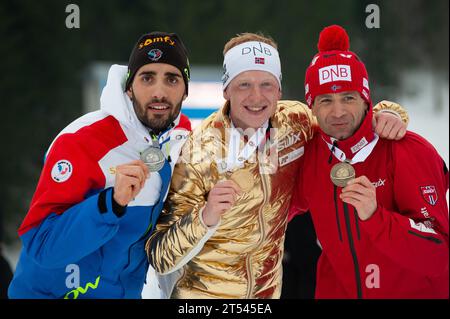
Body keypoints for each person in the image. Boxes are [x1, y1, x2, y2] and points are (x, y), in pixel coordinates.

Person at [146, 32, 409, 299]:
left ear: (279, 89)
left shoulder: (296, 122)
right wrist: (206, 217)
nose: (257, 97)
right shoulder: (198, 150)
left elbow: (342, 118)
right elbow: (160, 256)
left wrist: (388, 112)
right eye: (244, 84)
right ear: (226, 90)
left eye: (266, 84)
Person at [8, 31, 192, 298]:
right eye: (147, 78)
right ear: (130, 86)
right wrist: (110, 204)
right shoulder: (82, 140)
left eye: (172, 79)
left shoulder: (182, 137)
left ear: (185, 90)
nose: (159, 92)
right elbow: (41, 245)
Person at [289, 25, 449, 299]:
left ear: (366, 101)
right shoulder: (307, 155)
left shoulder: (408, 150)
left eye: (348, 98)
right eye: (325, 100)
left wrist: (376, 218)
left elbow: (438, 255)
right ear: (311, 107)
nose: (338, 112)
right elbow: (270, 213)